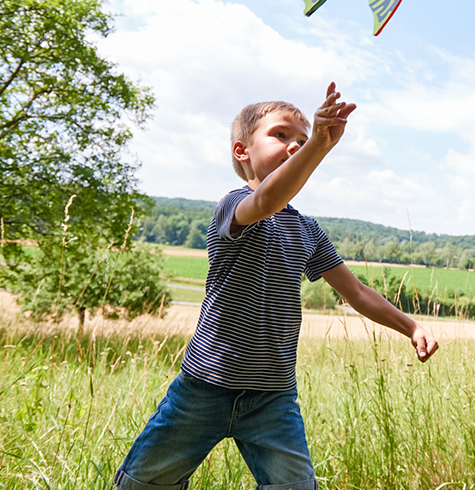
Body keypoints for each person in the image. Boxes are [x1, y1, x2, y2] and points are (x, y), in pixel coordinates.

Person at [114, 83, 439, 490]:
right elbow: (266, 200)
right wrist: (316, 146)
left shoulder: (306, 229)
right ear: (242, 152)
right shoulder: (234, 207)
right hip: (205, 388)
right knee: (146, 484)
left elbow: (355, 292)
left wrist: (411, 326)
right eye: (281, 135)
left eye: (301, 139)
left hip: (272, 397)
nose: (294, 145)